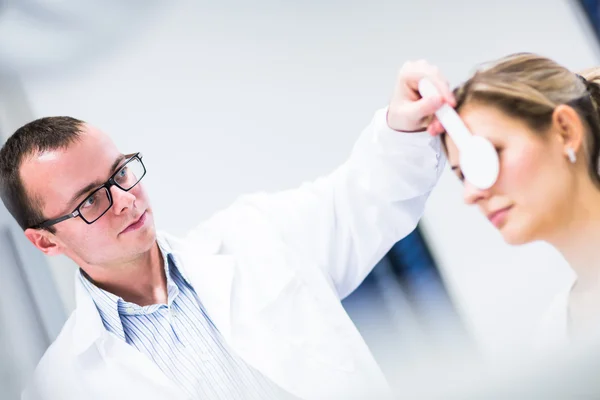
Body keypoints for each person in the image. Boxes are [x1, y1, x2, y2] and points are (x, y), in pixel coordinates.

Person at [0, 60, 452, 400]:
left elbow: (366, 197)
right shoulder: (59, 386)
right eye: (91, 200)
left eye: (121, 173)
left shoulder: (257, 235)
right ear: (45, 241)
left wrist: (401, 124)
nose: (125, 199)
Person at [442, 52, 600, 350]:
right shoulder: (554, 334)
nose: (471, 194)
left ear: (565, 131)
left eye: (487, 157)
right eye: (463, 175)